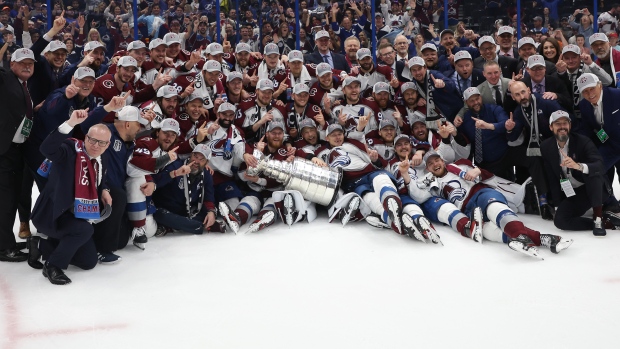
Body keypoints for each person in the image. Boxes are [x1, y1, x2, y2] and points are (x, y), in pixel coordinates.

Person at [418, 152, 573, 258]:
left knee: (495, 208)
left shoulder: (460, 165)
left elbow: (487, 176)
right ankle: (545, 239)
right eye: (430, 163)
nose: (435, 164)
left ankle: (519, 236)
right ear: (427, 169)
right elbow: (419, 195)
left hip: (481, 193)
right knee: (488, 230)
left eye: (437, 160)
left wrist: (478, 171)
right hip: (467, 210)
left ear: (442, 161)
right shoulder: (432, 183)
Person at [29, 110, 112, 285]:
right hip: (53, 214)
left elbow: (99, 181)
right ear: (86, 137)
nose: (96, 145)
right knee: (84, 230)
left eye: (101, 142)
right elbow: (47, 149)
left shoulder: (102, 157)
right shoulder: (69, 151)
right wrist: (70, 124)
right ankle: (52, 266)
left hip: (75, 216)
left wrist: (104, 190)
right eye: (92, 140)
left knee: (88, 262)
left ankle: (42, 245)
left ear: (108, 144)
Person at [541, 110, 618, 237]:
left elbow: (600, 165)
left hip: (596, 189)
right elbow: (552, 177)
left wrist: (579, 166)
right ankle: (606, 222)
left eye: (565, 123)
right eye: (557, 123)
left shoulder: (583, 142)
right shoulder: (546, 147)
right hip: (575, 192)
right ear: (551, 127)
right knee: (560, 221)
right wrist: (557, 205)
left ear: (570, 125)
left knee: (593, 172)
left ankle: (598, 218)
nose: (562, 127)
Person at [0, 48, 35, 262]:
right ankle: (4, 247)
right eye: (22, 62)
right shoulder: (5, 79)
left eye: (30, 63)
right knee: (5, 200)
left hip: (16, 150)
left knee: (11, 198)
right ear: (11, 65)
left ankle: (6, 241)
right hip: (4, 151)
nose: (27, 66)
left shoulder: (24, 85)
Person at [508, 81, 562, 220]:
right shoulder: (518, 112)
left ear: (528, 90)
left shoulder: (545, 102)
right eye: (517, 95)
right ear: (513, 97)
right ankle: (543, 202)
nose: (522, 96)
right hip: (537, 147)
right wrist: (510, 129)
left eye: (523, 92)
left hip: (556, 143)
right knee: (534, 161)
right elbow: (514, 136)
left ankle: (559, 201)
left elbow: (564, 119)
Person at [152, 144, 220, 235]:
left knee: (208, 213)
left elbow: (209, 197)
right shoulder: (176, 166)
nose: (196, 161)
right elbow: (157, 182)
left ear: (206, 163)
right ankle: (199, 226)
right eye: (195, 156)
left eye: (201, 159)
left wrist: (211, 212)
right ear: (190, 155)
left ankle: (173, 226)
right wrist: (175, 173)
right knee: (160, 215)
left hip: (187, 212)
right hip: (167, 209)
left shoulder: (206, 174)